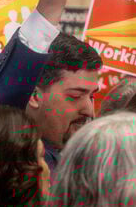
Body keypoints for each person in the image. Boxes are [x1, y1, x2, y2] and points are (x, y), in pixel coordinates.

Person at [24, 32, 102, 170]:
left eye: (91, 97)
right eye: (75, 96)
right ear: (34, 96)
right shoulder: (17, 167)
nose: (89, 110)